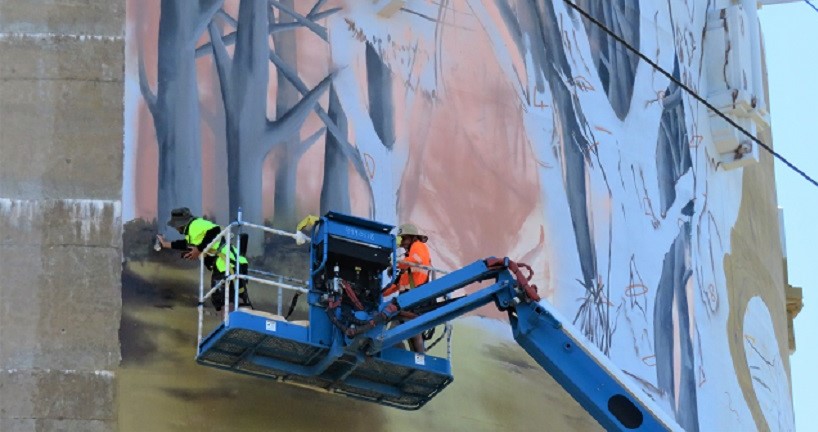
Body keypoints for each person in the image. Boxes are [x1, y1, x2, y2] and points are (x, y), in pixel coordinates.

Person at [156, 207, 251, 316]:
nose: (176, 229)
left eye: (176, 226)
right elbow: (187, 245)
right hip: (233, 263)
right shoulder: (193, 231)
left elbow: (215, 231)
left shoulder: (195, 225)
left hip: (226, 265)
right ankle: (239, 324)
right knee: (233, 298)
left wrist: (199, 249)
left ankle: (229, 327)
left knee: (223, 299)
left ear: (180, 224)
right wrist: (166, 244)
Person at [383, 223, 432, 353]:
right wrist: (379, 294)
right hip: (408, 298)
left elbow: (416, 260)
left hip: (415, 297)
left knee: (400, 330)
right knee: (410, 331)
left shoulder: (418, 246)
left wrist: (395, 265)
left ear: (412, 238)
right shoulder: (407, 266)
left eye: (404, 238)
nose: (403, 242)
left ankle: (402, 357)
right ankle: (416, 359)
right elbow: (397, 286)